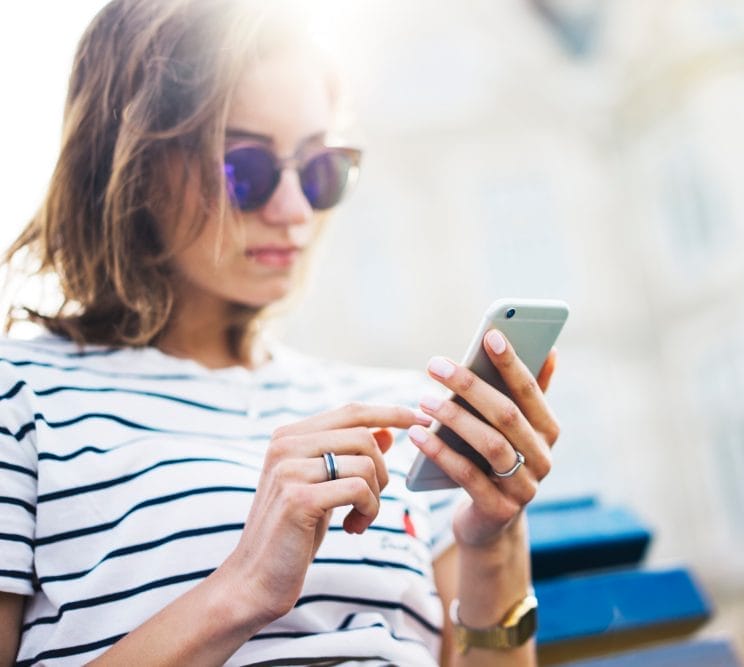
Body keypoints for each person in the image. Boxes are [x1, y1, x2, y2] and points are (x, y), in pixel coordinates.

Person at [0, 1, 560, 665]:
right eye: (246, 169)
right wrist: (244, 588)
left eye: (322, 169)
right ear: (134, 165)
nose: (294, 210)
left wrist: (492, 541)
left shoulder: (401, 410)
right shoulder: (24, 398)